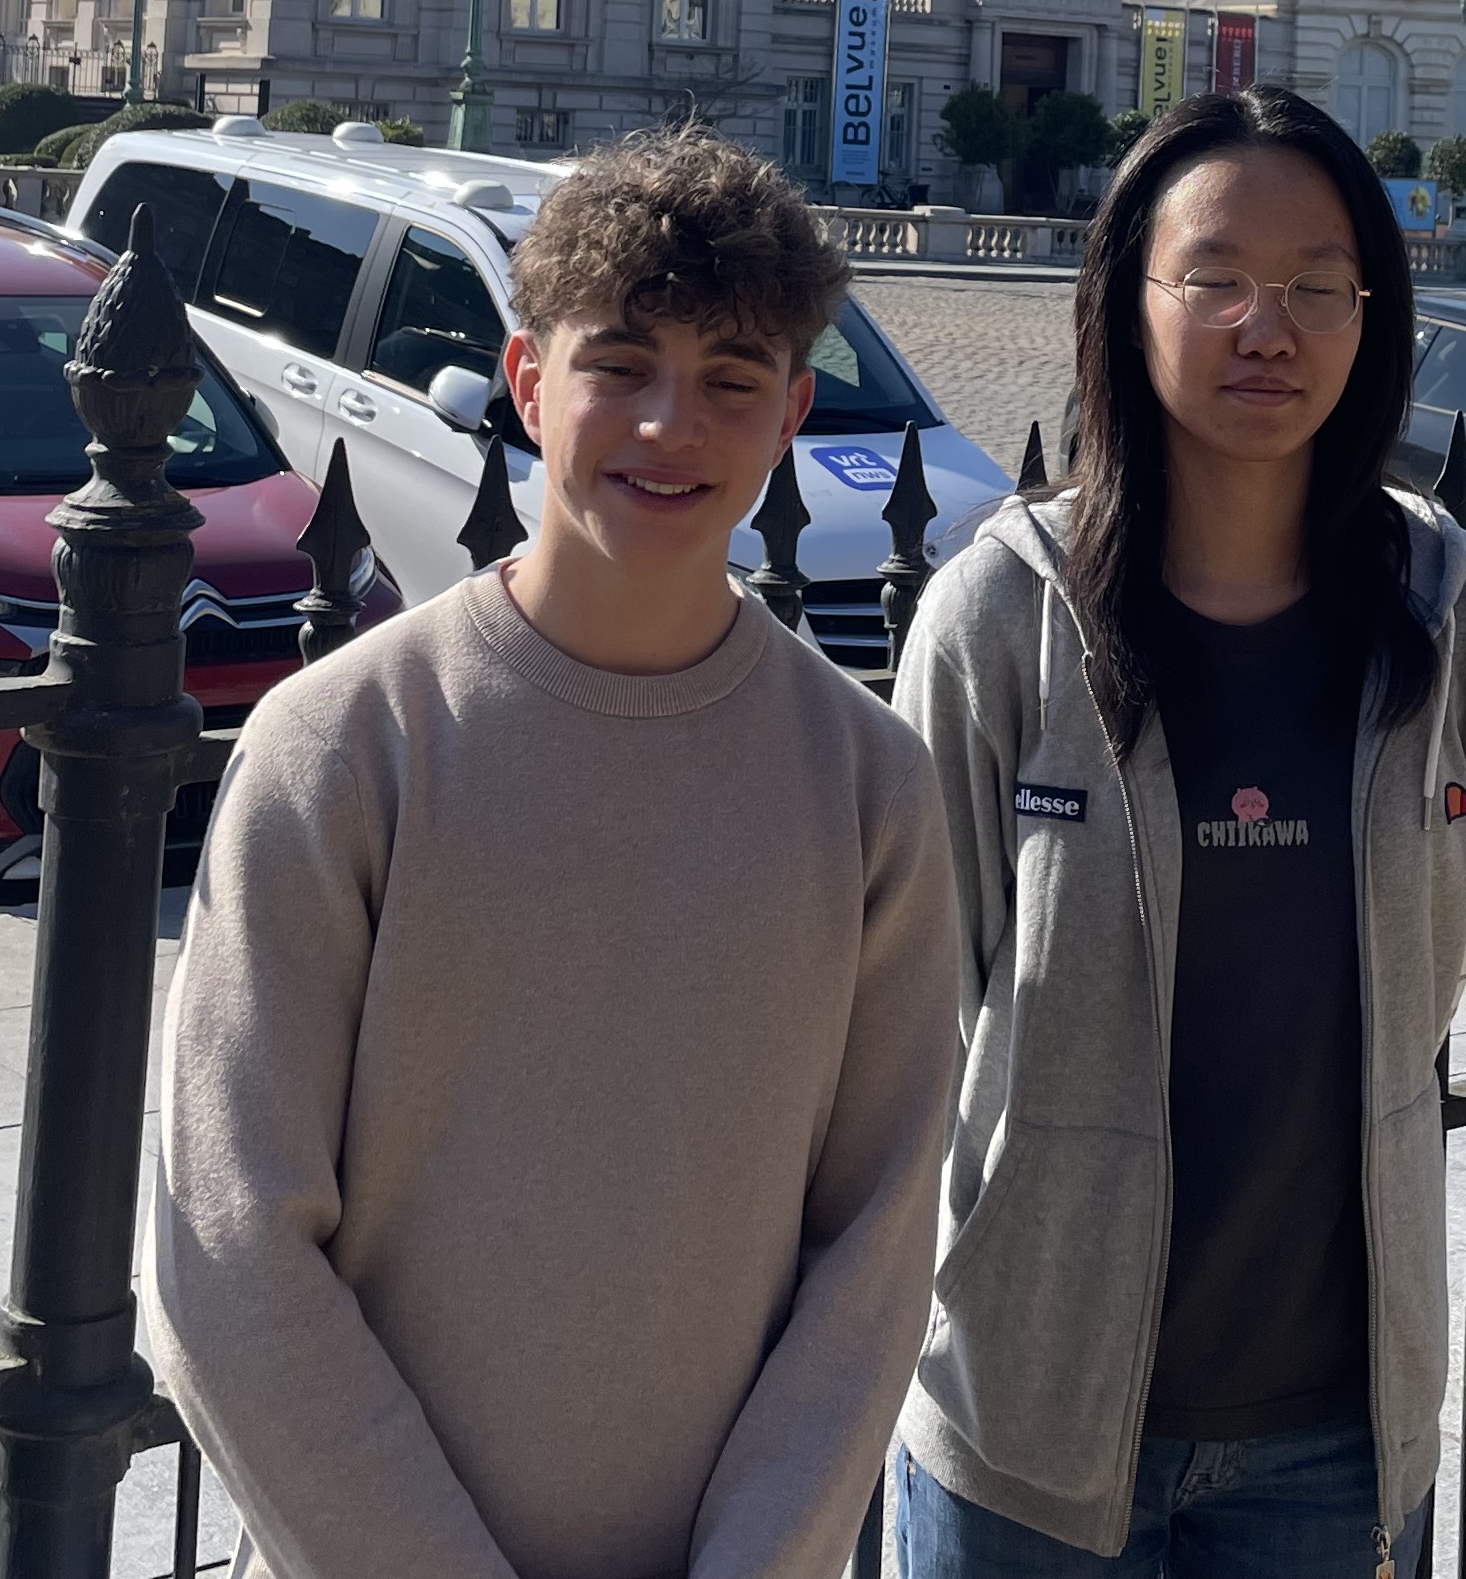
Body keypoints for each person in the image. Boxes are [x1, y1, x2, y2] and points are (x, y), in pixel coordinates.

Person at [149, 128, 961, 1579]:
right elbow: (226, 1246)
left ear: (791, 413)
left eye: (730, 380)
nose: (669, 424)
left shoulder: (871, 788)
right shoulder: (342, 747)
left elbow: (878, 1251)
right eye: (620, 366)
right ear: (528, 383)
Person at [892, 84, 1466, 1579]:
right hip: (1027, 1413)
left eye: (1318, 287)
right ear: (1131, 302)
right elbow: (930, 998)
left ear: (1371, 317)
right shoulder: (1000, 616)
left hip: (1336, 1436)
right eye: (1218, 278)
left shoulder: (1459, 621)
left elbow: (1435, 951)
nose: (1269, 327)